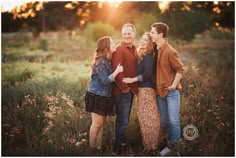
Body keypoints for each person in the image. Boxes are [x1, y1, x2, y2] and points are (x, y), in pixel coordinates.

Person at [122, 32, 161, 156]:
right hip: (141, 91)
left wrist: (131, 80)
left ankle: (152, 147)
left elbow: (147, 73)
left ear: (150, 43)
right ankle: (149, 146)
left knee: (149, 118)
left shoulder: (148, 55)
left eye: (146, 40)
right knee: (144, 118)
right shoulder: (141, 54)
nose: (142, 41)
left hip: (147, 90)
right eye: (142, 39)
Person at [84, 36, 123, 155]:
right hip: (96, 95)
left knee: (101, 124)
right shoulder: (100, 62)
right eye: (112, 43)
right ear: (106, 47)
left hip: (105, 96)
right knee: (97, 124)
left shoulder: (107, 60)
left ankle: (98, 148)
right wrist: (117, 71)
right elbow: (105, 81)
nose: (114, 44)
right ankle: (92, 150)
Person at [150, 22, 184, 156]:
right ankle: (168, 145)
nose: (151, 34)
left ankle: (176, 148)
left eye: (152, 32)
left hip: (171, 92)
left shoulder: (170, 51)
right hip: (159, 92)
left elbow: (180, 69)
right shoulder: (155, 50)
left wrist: (173, 85)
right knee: (164, 121)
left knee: (173, 120)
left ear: (160, 34)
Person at [111, 23, 138, 155]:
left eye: (129, 33)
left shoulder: (134, 49)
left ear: (134, 34)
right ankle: (120, 148)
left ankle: (119, 145)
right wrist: (124, 88)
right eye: (124, 34)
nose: (127, 36)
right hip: (122, 91)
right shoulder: (119, 49)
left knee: (124, 119)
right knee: (122, 120)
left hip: (130, 90)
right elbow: (117, 70)